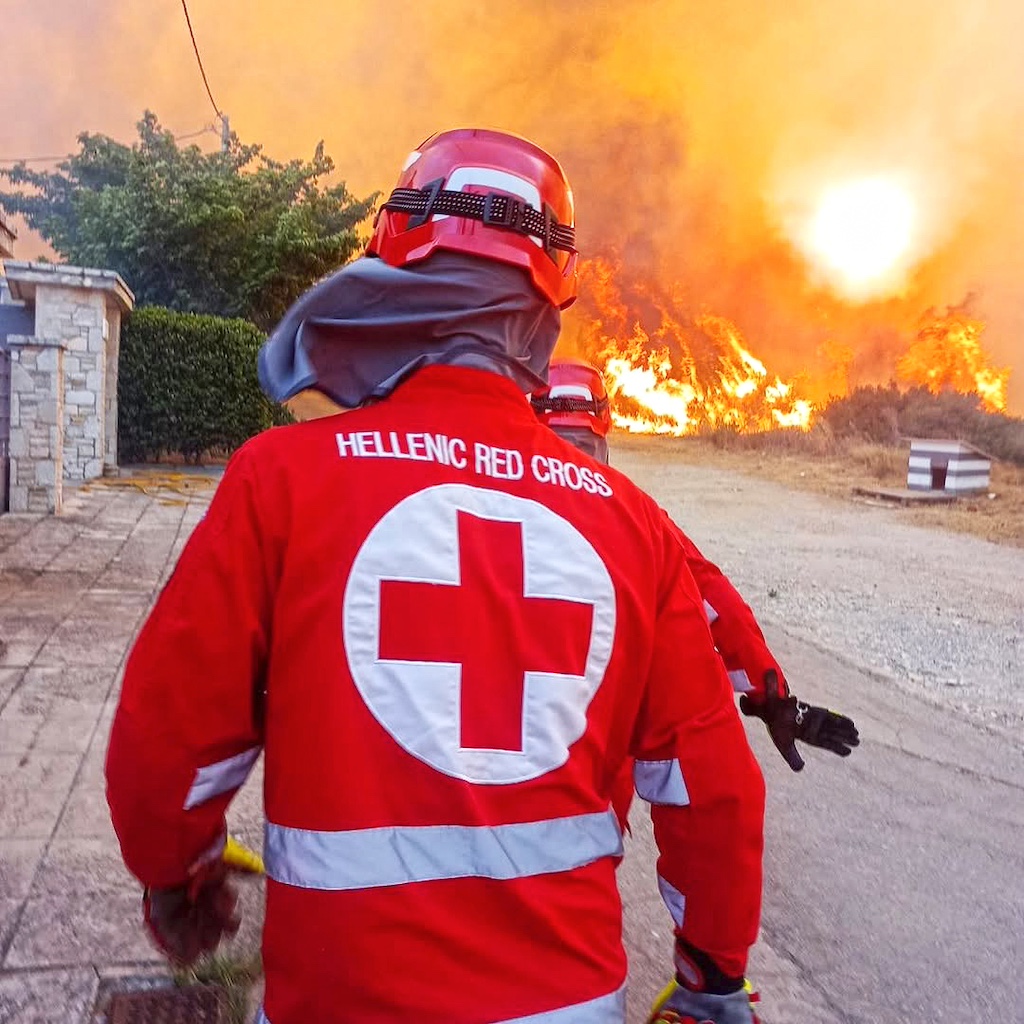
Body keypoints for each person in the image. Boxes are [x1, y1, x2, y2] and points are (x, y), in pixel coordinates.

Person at [106, 128, 765, 1024]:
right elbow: (712, 789)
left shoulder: (283, 479)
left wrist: (176, 875)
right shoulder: (630, 521)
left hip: (335, 1001)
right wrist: (711, 981)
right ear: (547, 307)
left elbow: (169, 740)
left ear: (392, 270)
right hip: (566, 1006)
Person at [531, 358, 860, 776]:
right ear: (605, 430)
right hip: (588, 779)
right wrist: (772, 696)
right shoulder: (636, 518)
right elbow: (715, 600)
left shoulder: (473, 500)